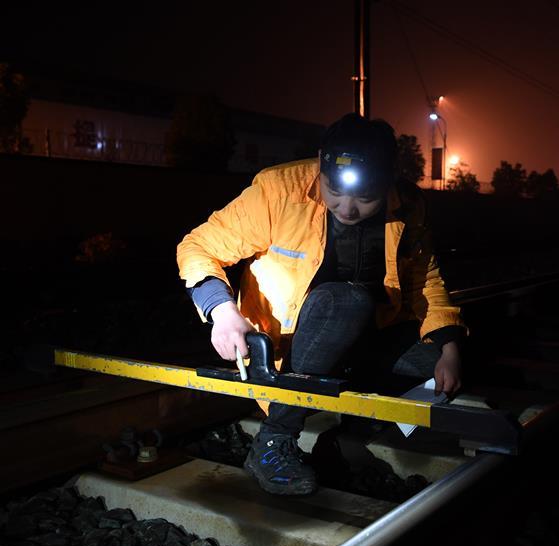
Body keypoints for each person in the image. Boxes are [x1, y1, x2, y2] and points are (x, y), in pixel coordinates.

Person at [176, 113, 466, 496]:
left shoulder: (408, 205)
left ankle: (351, 435)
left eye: (366, 198)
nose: (347, 209)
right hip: (293, 351)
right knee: (346, 301)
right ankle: (273, 440)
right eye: (334, 191)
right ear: (321, 164)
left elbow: (426, 280)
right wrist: (223, 312)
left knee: (441, 372)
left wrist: (449, 347)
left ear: (388, 181)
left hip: (364, 343)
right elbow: (198, 246)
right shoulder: (278, 192)